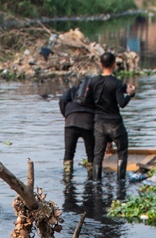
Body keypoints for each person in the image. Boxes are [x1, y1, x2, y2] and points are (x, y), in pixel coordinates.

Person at [89, 50, 137, 194]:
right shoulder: (115, 83)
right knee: (122, 152)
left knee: (98, 155)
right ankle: (121, 182)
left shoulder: (93, 82)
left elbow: (88, 101)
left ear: (100, 64)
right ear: (114, 65)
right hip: (115, 123)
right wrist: (130, 95)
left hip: (99, 123)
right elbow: (121, 103)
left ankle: (96, 183)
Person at [58, 74, 95, 180]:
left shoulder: (73, 90)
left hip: (70, 123)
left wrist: (66, 114)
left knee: (68, 153)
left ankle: (67, 177)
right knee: (91, 154)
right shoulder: (95, 93)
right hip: (88, 123)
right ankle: (91, 177)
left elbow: (62, 100)